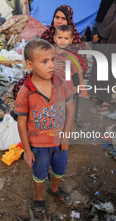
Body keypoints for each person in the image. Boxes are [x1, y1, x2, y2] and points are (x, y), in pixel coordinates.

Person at [15, 39, 74, 219]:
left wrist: (66, 135)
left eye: (52, 60)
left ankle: (54, 189)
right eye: (44, 61)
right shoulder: (25, 92)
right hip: (39, 145)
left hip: (59, 142)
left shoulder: (60, 82)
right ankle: (38, 196)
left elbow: (70, 108)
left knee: (60, 169)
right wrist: (27, 150)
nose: (51, 66)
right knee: (39, 173)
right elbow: (21, 124)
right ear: (30, 65)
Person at [13, 4, 86, 98]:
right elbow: (36, 58)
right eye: (57, 17)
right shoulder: (47, 36)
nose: (59, 21)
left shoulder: (76, 42)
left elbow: (82, 68)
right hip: (42, 75)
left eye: (63, 18)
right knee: (19, 88)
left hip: (65, 81)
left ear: (69, 20)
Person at [53, 25, 87, 94]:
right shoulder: (49, 52)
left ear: (70, 40)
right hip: (50, 84)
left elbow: (79, 70)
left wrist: (81, 81)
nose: (62, 41)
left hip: (66, 86)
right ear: (55, 38)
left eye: (66, 38)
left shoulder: (72, 56)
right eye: (60, 37)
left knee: (67, 103)